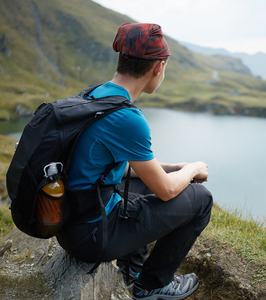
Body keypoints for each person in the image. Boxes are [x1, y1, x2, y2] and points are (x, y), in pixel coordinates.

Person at [56, 23, 213, 300]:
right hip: (94, 236)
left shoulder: (95, 95)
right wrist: (192, 169)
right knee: (200, 199)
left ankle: (132, 271)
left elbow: (119, 168)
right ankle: (153, 285)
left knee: (145, 184)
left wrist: (174, 168)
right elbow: (165, 190)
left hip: (71, 223)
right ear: (158, 67)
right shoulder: (128, 118)